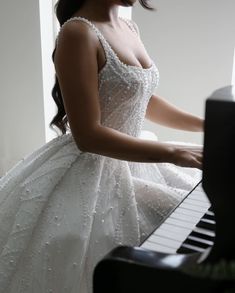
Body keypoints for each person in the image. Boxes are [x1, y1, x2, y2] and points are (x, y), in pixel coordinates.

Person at [0, 0, 203, 292]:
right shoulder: (78, 33)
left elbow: (141, 98)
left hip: (137, 161)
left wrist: (206, 123)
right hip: (93, 172)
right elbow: (87, 136)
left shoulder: (129, 27)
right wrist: (176, 152)